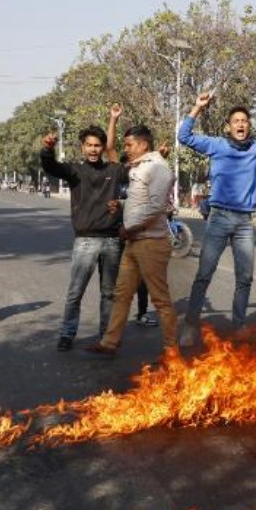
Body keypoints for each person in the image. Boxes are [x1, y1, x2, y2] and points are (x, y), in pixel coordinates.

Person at [177, 93, 256, 346]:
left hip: (244, 222)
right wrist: (197, 107)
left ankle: (239, 325)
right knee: (204, 274)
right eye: (236, 121)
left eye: (244, 121)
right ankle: (190, 325)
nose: (241, 124)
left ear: (248, 126)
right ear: (228, 126)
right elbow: (184, 136)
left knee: (245, 277)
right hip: (218, 218)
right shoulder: (216, 145)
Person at [40, 104, 127, 350]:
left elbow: (138, 180)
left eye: (97, 145)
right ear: (82, 147)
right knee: (75, 291)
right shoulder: (74, 170)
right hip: (85, 241)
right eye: (89, 145)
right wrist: (47, 148)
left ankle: (107, 337)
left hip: (112, 242)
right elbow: (50, 167)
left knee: (109, 293)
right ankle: (67, 334)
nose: (93, 149)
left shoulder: (114, 170)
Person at [86, 125, 177, 356]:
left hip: (151, 243)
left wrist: (128, 226)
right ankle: (110, 342)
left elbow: (156, 207)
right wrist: (122, 204)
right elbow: (140, 202)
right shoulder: (140, 167)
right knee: (122, 294)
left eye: (129, 145)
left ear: (143, 145)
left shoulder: (158, 168)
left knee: (161, 300)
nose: (126, 149)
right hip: (134, 242)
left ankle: (171, 352)